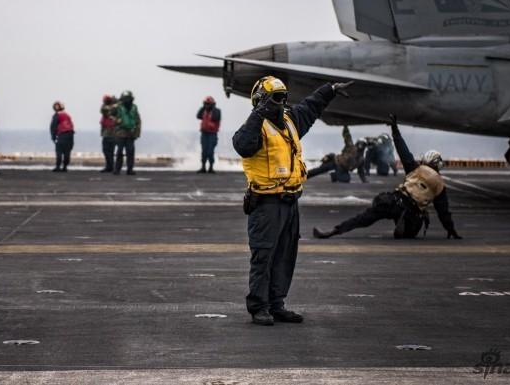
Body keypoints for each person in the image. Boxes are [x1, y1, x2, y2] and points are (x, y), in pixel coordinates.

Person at [234, 76, 353, 326]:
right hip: (266, 204)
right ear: (261, 100)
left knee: (285, 256)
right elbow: (243, 146)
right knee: (263, 256)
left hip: (290, 203)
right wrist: (258, 115)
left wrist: (329, 90)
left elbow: (310, 107)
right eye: (276, 98)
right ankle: (259, 307)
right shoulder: (255, 127)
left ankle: (277, 305)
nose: (281, 103)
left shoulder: (290, 121)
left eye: (283, 97)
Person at [313, 114, 461, 240]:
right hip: (412, 211)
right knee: (412, 229)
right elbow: (443, 212)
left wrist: (394, 129)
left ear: (426, 160)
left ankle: (334, 230)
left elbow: (402, 149)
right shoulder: (440, 185)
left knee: (363, 219)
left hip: (394, 201)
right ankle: (404, 225)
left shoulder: (416, 168)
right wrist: (451, 229)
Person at [113, 90, 141, 175]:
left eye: (128, 98)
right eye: (125, 98)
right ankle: (117, 169)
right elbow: (110, 114)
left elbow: (137, 120)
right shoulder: (118, 107)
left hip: (131, 133)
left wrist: (137, 133)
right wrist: (117, 120)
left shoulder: (134, 107)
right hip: (120, 132)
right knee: (119, 151)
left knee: (130, 151)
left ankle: (130, 169)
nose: (127, 100)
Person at [197, 96, 221, 173]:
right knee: (204, 151)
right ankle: (203, 167)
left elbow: (215, 117)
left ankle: (211, 167)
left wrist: (212, 107)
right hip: (204, 134)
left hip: (212, 134)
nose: (207, 105)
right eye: (205, 104)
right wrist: (203, 107)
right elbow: (198, 116)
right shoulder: (204, 111)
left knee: (210, 151)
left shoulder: (216, 111)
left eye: (208, 104)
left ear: (212, 104)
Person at [50, 101, 75, 172]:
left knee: (59, 151)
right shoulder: (67, 115)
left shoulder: (57, 115)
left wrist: (53, 136)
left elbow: (53, 127)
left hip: (62, 134)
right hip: (70, 134)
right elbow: (71, 125)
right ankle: (65, 166)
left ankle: (58, 166)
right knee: (67, 151)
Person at [99, 95, 118, 172]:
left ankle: (110, 166)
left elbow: (105, 110)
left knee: (108, 150)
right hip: (107, 132)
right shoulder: (107, 108)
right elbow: (102, 110)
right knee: (107, 150)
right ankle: (109, 166)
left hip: (111, 132)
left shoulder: (114, 109)